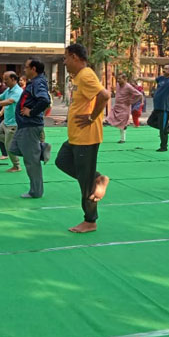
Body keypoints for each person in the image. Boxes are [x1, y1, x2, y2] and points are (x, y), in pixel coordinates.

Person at [56, 44, 111, 233]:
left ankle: (90, 221)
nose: (64, 62)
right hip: (76, 136)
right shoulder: (78, 76)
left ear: (74, 57)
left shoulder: (86, 75)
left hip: (86, 138)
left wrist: (92, 117)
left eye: (65, 58)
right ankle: (98, 178)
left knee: (85, 183)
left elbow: (104, 95)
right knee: (62, 161)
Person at [10, 58, 51, 198]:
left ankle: (36, 191)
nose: (24, 69)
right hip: (24, 125)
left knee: (31, 161)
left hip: (30, 125)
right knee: (14, 148)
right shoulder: (33, 82)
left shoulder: (38, 82)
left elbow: (45, 100)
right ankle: (40, 148)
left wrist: (31, 112)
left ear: (33, 69)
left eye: (26, 67)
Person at [105, 73, 143, 143]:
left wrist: (132, 101)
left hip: (124, 108)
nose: (118, 80)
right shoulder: (117, 84)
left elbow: (139, 95)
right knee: (109, 118)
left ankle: (123, 139)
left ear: (125, 79)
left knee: (123, 123)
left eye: (120, 79)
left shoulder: (128, 87)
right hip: (117, 106)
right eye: (117, 79)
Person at [147, 63, 169, 152]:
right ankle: (168, 127)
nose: (164, 70)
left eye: (166, 69)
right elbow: (151, 80)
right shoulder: (161, 78)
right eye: (164, 68)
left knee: (162, 129)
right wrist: (140, 78)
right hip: (157, 106)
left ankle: (163, 146)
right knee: (150, 122)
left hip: (165, 107)